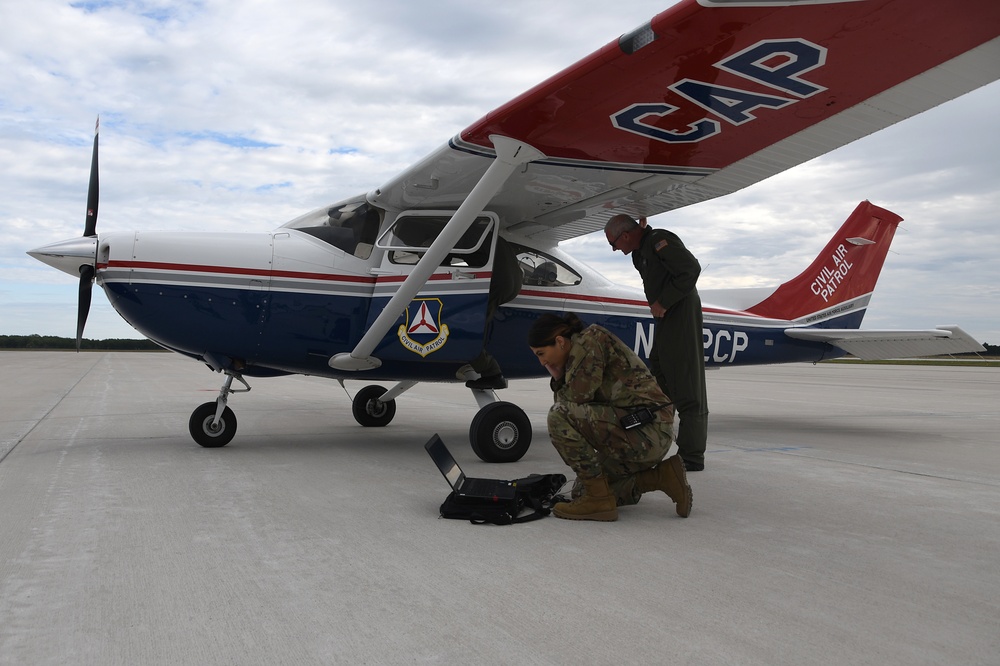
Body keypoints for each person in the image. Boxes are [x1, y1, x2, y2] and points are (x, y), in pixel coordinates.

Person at [527, 312, 692, 521]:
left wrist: (559, 379)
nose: (542, 362)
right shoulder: (578, 354)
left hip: (647, 431)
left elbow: (572, 405)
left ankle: (599, 501)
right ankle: (663, 477)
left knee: (558, 416)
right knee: (581, 492)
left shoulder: (589, 342)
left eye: (541, 353)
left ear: (559, 342)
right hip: (637, 432)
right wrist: (561, 377)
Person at [604, 214, 708, 472]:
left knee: (687, 386)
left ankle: (691, 457)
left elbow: (690, 269)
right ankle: (650, 441)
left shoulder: (660, 240)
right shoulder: (643, 249)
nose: (615, 249)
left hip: (679, 313)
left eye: (614, 243)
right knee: (659, 377)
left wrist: (665, 301)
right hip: (665, 317)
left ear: (625, 235)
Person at [465, 236, 523, 390]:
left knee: (471, 327)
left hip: (499, 281)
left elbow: (443, 257)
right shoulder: (485, 232)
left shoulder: (461, 231)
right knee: (480, 321)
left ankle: (491, 373)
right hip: (514, 281)